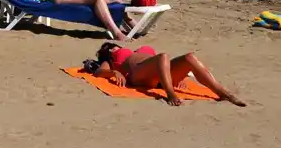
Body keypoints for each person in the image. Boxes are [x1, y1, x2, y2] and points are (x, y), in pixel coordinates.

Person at [93, 42, 246, 107]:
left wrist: (183, 76)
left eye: (114, 46)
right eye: (110, 48)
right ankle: (170, 94)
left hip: (159, 74)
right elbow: (99, 72)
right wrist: (114, 72)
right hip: (138, 75)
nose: (114, 48)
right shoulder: (112, 60)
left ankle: (222, 92)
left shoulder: (136, 50)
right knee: (163, 56)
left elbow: (163, 65)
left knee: (189, 57)